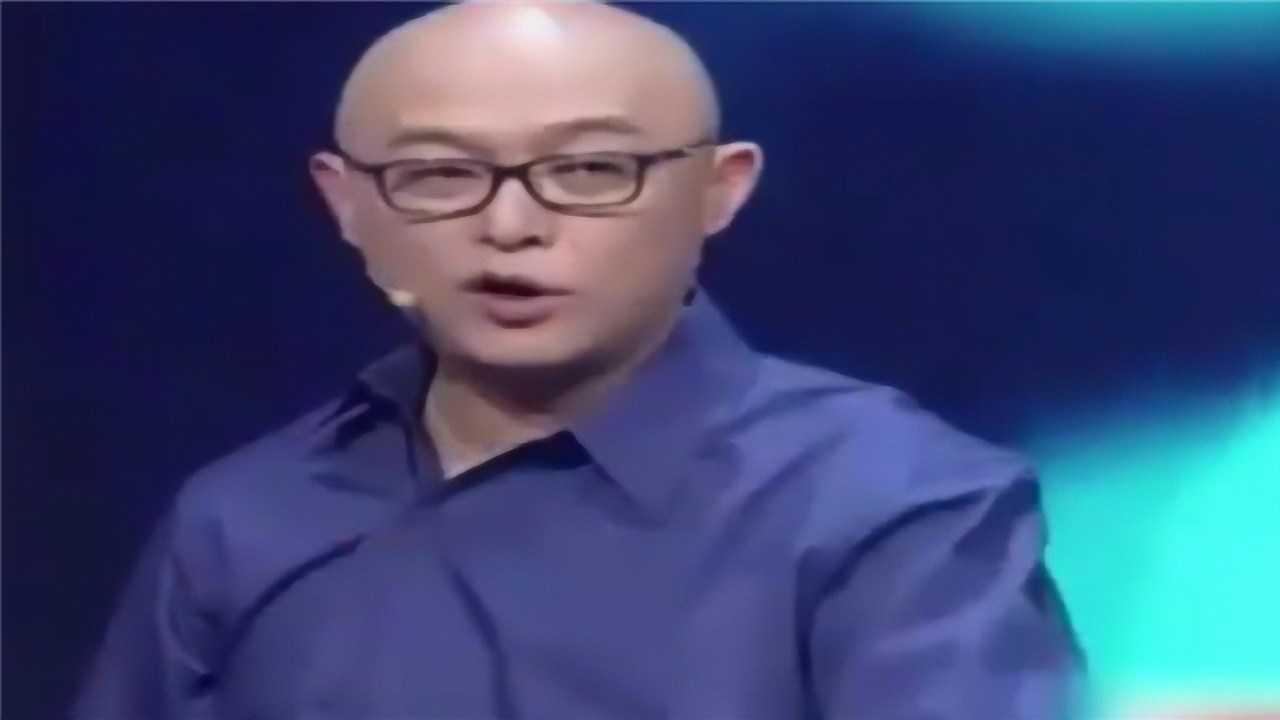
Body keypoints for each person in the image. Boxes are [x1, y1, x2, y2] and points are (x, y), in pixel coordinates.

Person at [74, 2, 1081, 718]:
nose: (510, 226)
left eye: (590, 169)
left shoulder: (893, 502)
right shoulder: (244, 519)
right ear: (347, 204)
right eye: (439, 174)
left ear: (720, 190)